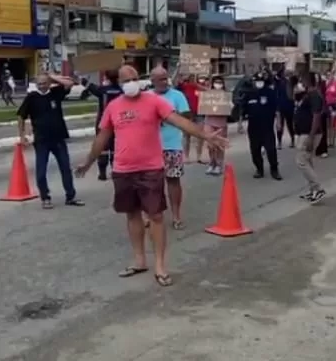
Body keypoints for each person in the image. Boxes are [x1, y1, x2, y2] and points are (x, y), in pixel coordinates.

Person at [74, 65, 228, 286]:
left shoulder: (153, 101)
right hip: (123, 170)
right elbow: (102, 137)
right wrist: (88, 162)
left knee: (155, 217)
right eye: (126, 80)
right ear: (119, 83)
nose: (131, 83)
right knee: (132, 215)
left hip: (150, 169)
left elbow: (180, 121)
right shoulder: (113, 106)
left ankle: (160, 265)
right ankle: (139, 260)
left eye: (134, 78)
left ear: (140, 79)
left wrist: (205, 135)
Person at [17, 72, 82, 209]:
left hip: (58, 138)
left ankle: (71, 196)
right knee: (41, 171)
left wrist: (52, 77)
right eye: (39, 84)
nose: (42, 86)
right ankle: (45, 197)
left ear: (49, 83)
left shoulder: (55, 93)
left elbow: (70, 83)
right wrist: (22, 135)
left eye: (44, 83)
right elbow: (21, 116)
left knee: (65, 168)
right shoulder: (32, 97)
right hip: (42, 140)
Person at [152, 65, 190, 229]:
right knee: (151, 183)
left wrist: (171, 116)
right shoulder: (146, 97)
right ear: (152, 81)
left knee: (173, 181)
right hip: (150, 148)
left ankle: (176, 216)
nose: (164, 82)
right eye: (160, 79)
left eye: (165, 78)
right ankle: (151, 214)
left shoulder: (177, 95)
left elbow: (187, 117)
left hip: (172, 146)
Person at [83, 69, 123, 181]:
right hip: (119, 121)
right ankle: (115, 171)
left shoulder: (102, 90)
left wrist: (82, 75)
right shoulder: (121, 90)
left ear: (106, 78)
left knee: (103, 147)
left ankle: (102, 173)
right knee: (115, 148)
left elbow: (86, 84)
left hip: (103, 122)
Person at [242, 72, 282, 180]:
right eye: (257, 81)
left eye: (261, 81)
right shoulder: (248, 94)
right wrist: (240, 124)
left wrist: (278, 122)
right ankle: (259, 169)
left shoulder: (270, 93)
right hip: (253, 128)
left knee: (271, 150)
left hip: (267, 127)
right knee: (255, 150)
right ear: (254, 82)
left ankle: (274, 170)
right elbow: (242, 110)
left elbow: (277, 109)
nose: (259, 83)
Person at [294, 72, 326, 203]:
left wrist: (311, 137)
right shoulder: (308, 95)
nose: (301, 82)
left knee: (301, 161)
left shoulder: (315, 96)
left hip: (310, 133)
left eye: (303, 80)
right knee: (308, 161)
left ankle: (318, 189)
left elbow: (316, 116)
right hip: (304, 132)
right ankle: (313, 190)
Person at [177, 74, 209, 163]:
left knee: (200, 135)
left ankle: (199, 156)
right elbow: (175, 81)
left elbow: (209, 91)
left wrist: (197, 84)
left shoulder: (200, 86)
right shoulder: (185, 86)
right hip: (188, 113)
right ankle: (186, 157)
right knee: (186, 136)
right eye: (190, 77)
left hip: (199, 113)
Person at [203, 75, 229, 176]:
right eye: (216, 82)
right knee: (210, 145)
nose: (218, 84)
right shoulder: (208, 94)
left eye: (220, 82)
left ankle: (218, 164)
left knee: (219, 145)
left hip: (221, 123)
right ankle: (211, 163)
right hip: (209, 121)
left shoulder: (226, 95)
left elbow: (230, 109)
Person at [275, 68, 296, 149]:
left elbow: (295, 78)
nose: (287, 74)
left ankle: (293, 140)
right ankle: (279, 142)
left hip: (290, 106)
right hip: (280, 106)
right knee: (279, 125)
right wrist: (282, 66)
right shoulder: (279, 81)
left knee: (290, 124)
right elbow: (275, 76)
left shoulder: (292, 82)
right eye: (285, 72)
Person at [324, 73, 336, 148]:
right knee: (327, 125)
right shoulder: (325, 84)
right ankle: (328, 140)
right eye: (328, 75)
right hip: (326, 106)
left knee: (333, 124)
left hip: (334, 105)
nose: (330, 76)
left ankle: (332, 142)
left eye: (331, 75)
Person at [315, 74, 329, 158]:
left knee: (323, 131)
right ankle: (317, 148)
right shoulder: (310, 88)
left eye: (317, 78)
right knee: (316, 131)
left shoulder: (322, 87)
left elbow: (325, 98)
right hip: (314, 111)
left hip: (322, 111)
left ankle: (324, 149)